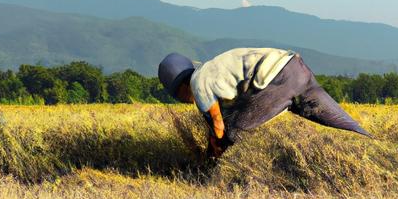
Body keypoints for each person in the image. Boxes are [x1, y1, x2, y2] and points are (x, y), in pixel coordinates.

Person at [158, 48, 371, 158]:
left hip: (280, 77)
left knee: (235, 132)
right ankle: (373, 144)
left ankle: (232, 179)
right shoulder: (212, 71)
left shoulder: (199, 82)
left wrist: (217, 148)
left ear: (180, 88)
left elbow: (219, 124)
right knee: (342, 123)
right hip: (294, 67)